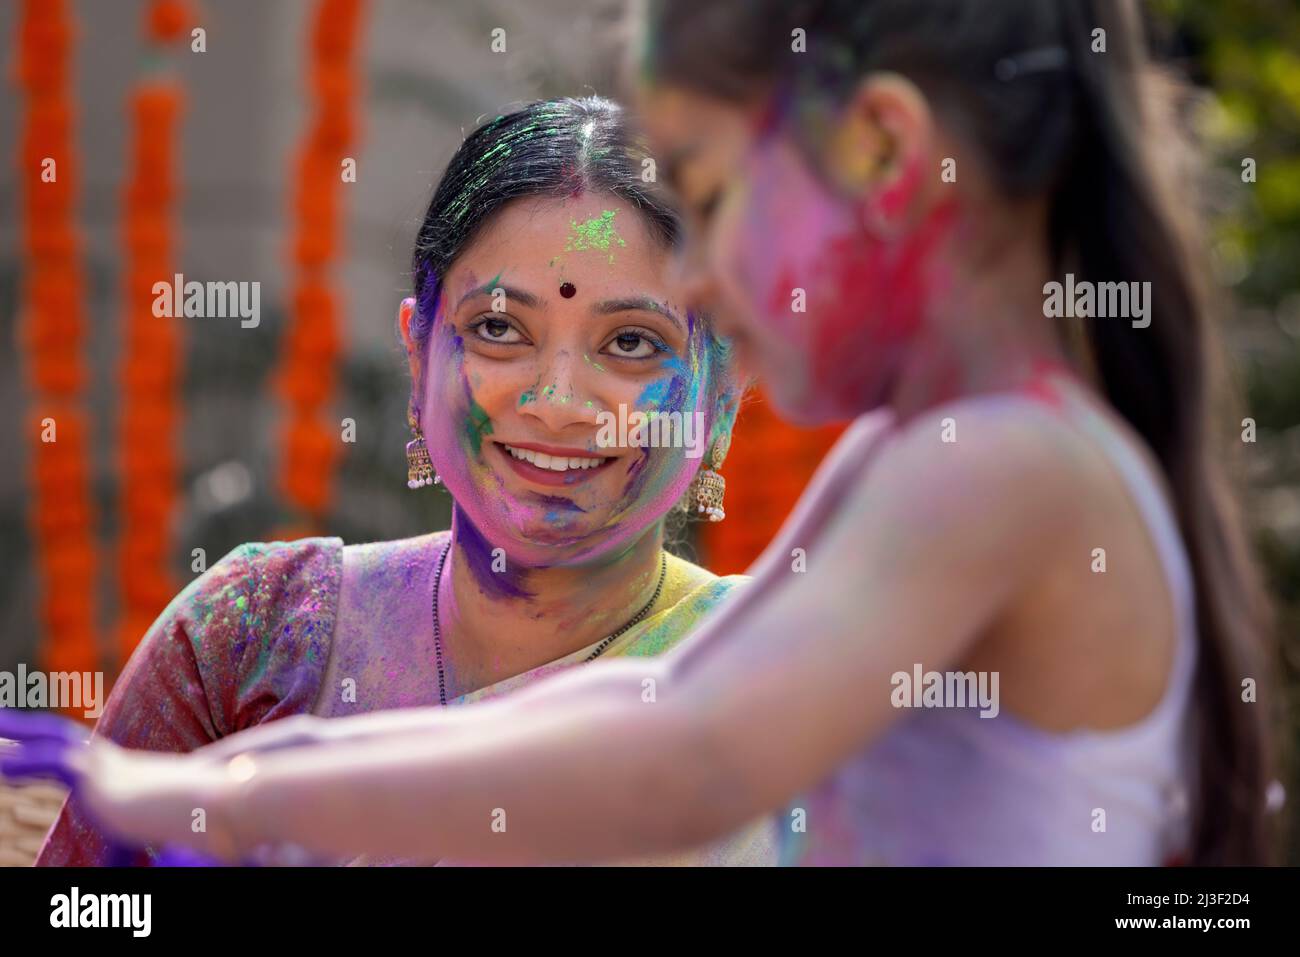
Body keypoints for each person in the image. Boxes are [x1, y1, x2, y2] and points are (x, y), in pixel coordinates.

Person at [3, 0, 1278, 866]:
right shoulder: (941, 457)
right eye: (499, 331)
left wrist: (219, 797)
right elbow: (666, 695)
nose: (710, 280)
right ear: (418, 341)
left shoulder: (1003, 469)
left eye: (714, 197)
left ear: (885, 151)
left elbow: (691, 749)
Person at [21, 96, 773, 866]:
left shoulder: (785, 681)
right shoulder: (255, 635)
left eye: (631, 342)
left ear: (721, 397)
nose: (555, 405)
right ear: (418, 356)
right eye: (499, 328)